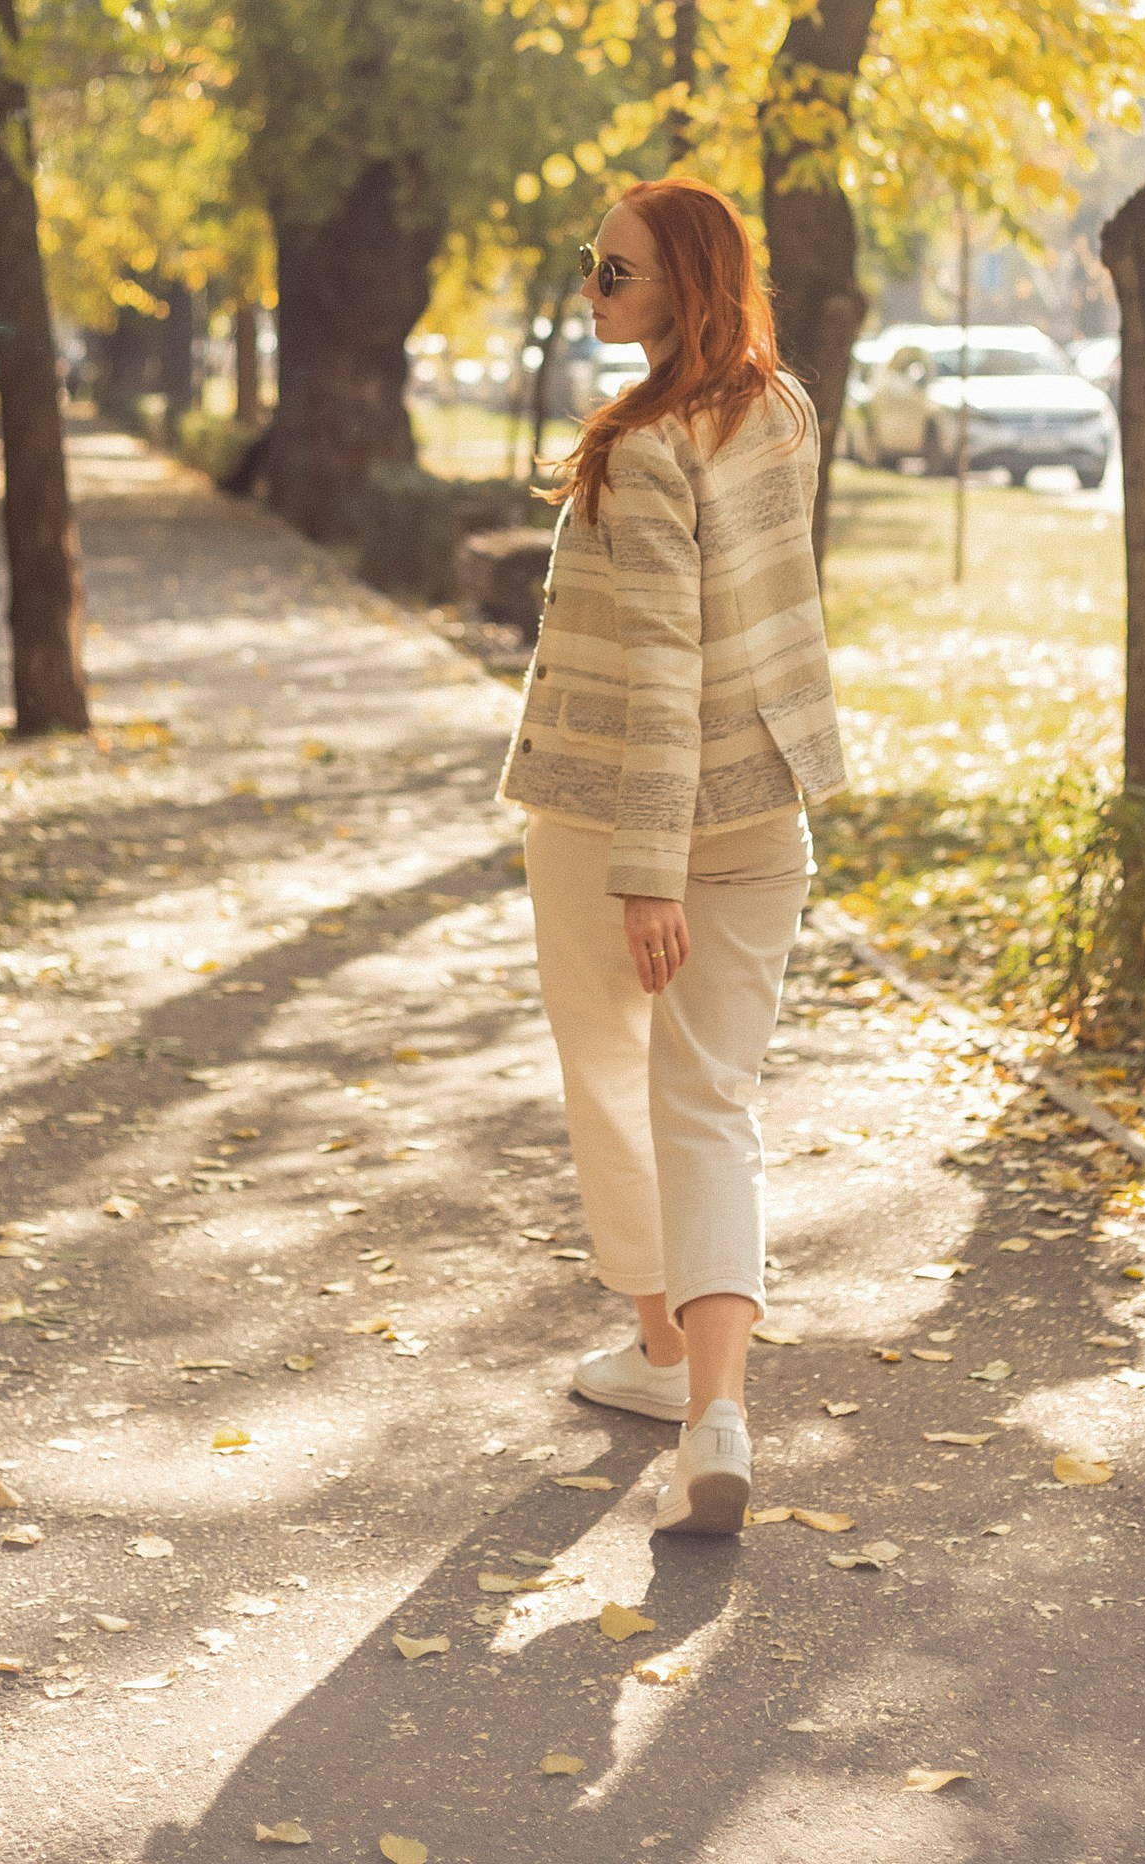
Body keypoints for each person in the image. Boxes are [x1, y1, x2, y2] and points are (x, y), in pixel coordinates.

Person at [499, 177, 846, 1536]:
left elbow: (661, 669)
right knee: (712, 1100)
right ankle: (711, 1407)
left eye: (618, 273)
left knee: (612, 1078)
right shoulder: (786, 410)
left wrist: (648, 867)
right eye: (592, 268)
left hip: (614, 822)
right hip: (766, 810)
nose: (594, 290)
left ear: (687, 285)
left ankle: (661, 1351)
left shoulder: (644, 450)